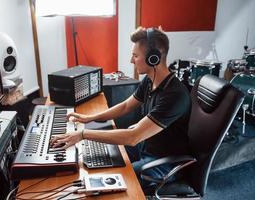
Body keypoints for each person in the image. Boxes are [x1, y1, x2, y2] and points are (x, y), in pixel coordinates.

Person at [51, 26, 191, 190]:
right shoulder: (150, 80)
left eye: (135, 56)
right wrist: (90, 118)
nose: (131, 61)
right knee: (100, 154)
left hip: (164, 161)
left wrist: (82, 134)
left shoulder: (175, 95)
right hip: (145, 146)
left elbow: (133, 136)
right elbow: (125, 106)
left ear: (153, 59)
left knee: (114, 179)